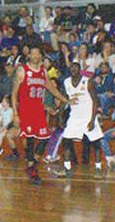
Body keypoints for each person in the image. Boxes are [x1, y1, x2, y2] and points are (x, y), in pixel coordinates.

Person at [11, 45, 74, 185]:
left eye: (37, 54)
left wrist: (66, 100)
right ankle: (32, 169)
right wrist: (15, 113)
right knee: (30, 139)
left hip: (38, 110)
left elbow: (52, 89)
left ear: (40, 56)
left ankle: (32, 162)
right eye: (32, 54)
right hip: (26, 110)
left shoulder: (43, 72)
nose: (34, 56)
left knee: (44, 138)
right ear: (29, 56)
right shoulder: (22, 70)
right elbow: (14, 93)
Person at [59, 62, 105, 178]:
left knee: (95, 143)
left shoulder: (87, 81)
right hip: (74, 117)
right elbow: (64, 99)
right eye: (71, 68)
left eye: (76, 68)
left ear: (80, 70)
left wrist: (93, 119)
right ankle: (67, 168)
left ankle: (98, 168)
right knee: (66, 141)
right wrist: (60, 116)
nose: (73, 69)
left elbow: (95, 101)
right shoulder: (66, 82)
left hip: (88, 116)